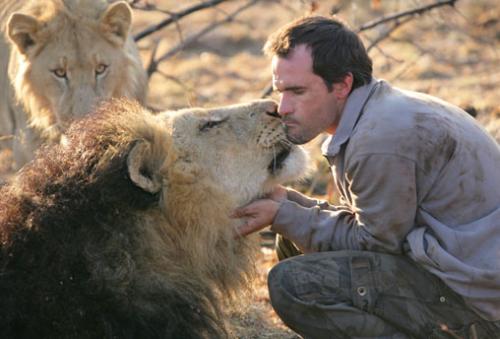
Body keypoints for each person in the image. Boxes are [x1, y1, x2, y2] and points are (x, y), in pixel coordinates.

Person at [232, 15, 500, 338]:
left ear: (343, 85)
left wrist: (287, 214)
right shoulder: (374, 112)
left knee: (291, 284)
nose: (283, 108)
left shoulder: (378, 139)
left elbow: (376, 244)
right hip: (456, 270)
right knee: (291, 237)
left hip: (477, 304)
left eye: (298, 91)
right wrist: (291, 205)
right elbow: (376, 224)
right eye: (280, 91)